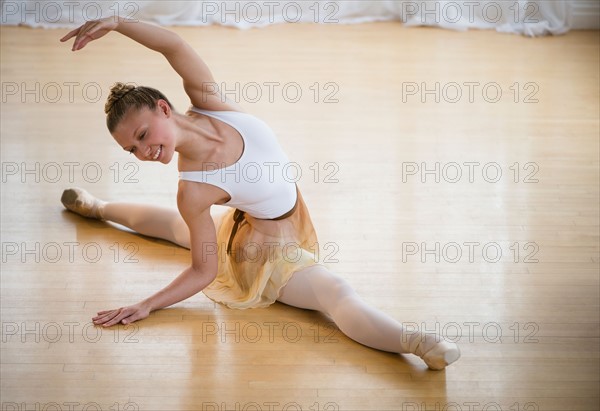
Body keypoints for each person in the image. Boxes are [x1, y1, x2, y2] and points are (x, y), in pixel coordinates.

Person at [59, 17, 460, 370]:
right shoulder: (193, 189)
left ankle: (96, 207)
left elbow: (174, 45)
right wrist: (147, 303)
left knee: (172, 227)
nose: (143, 151)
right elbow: (204, 270)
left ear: (165, 109)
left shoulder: (210, 103)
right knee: (334, 293)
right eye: (132, 149)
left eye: (142, 135)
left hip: (257, 221)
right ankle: (417, 343)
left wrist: (117, 21)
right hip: (265, 251)